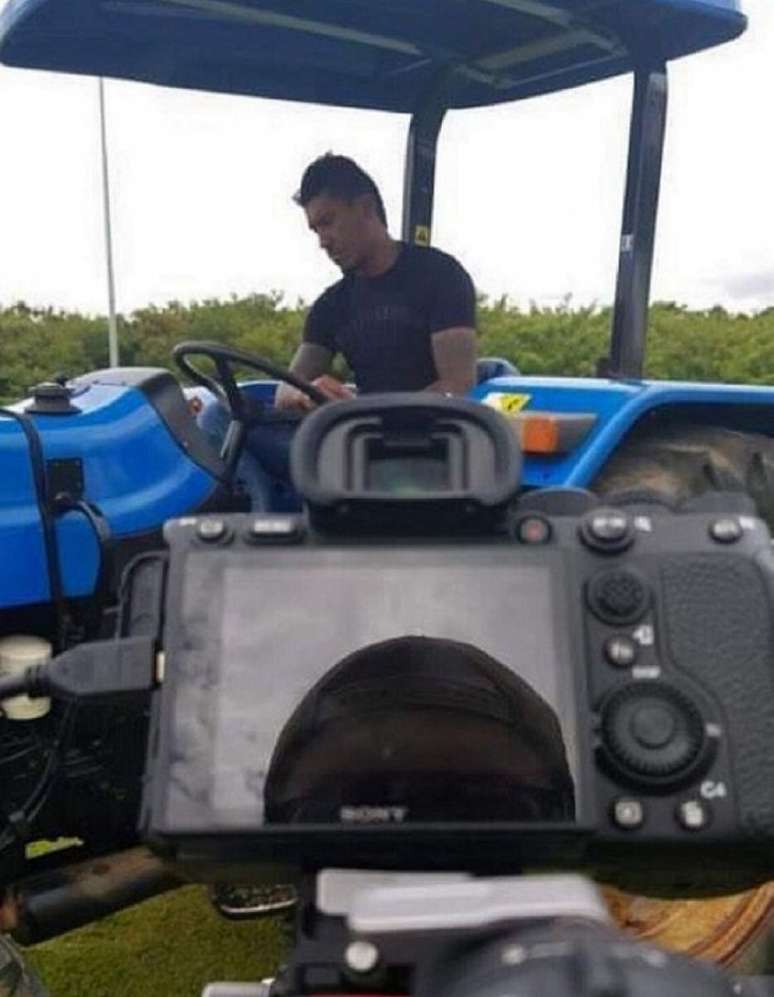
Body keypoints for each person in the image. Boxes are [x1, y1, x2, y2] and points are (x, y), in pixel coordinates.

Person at [275, 154, 478, 411]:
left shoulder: (440, 276)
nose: (323, 242)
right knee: (219, 415)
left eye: (328, 222)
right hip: (359, 435)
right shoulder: (332, 304)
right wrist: (307, 392)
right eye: (316, 230)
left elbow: (457, 387)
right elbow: (286, 391)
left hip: (429, 436)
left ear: (366, 208)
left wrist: (368, 410)